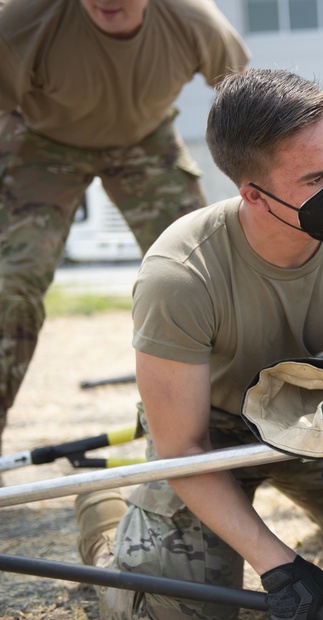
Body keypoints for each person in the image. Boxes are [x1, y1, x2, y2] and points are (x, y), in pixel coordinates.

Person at [73, 69, 323, 620]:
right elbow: (184, 449)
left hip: (312, 421)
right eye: (317, 178)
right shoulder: (181, 276)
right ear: (252, 194)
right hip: (211, 434)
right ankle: (106, 520)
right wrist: (280, 567)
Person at [0, 0, 250, 457]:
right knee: (9, 287)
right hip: (41, 142)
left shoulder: (197, 22)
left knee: (211, 277)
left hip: (145, 139)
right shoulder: (21, 21)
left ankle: (231, 424)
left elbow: (248, 105)